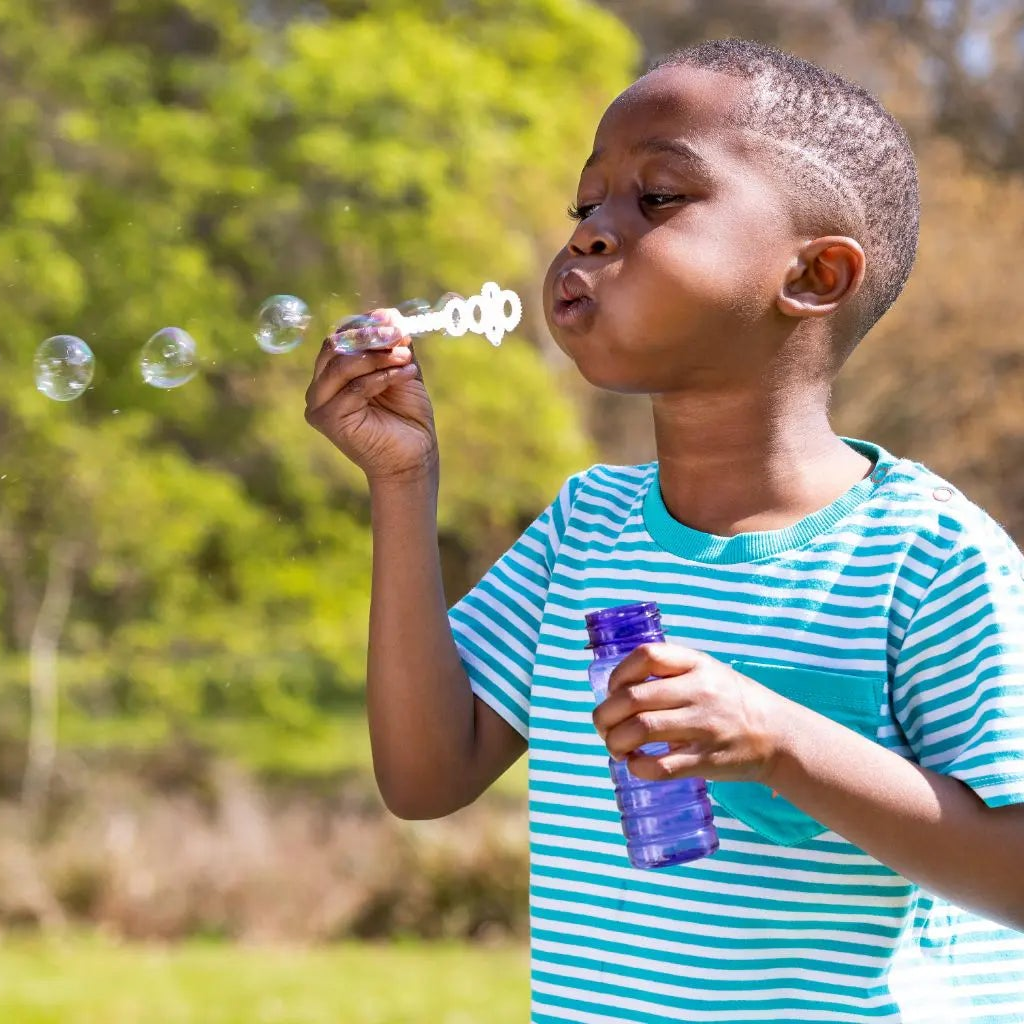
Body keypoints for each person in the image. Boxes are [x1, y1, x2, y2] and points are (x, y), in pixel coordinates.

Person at [304, 37, 1024, 1023]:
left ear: (812, 275)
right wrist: (400, 483)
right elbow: (428, 775)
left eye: (656, 199)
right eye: (584, 205)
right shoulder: (583, 529)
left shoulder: (929, 556)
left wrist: (776, 740)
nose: (591, 233)